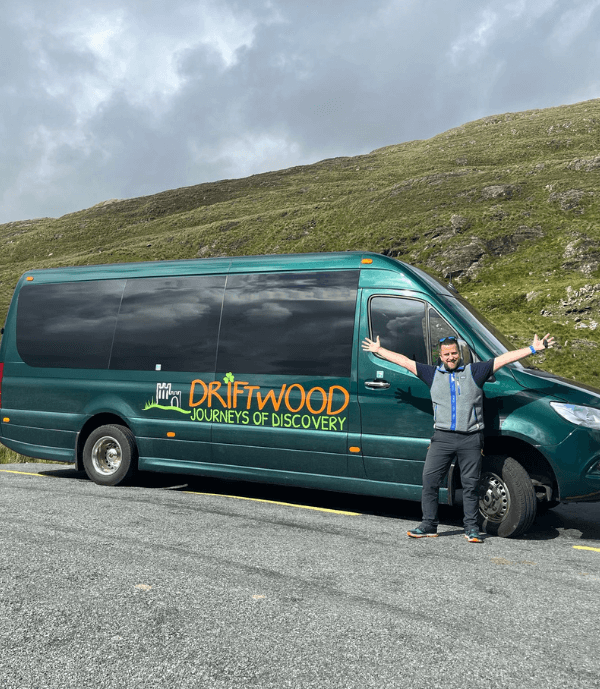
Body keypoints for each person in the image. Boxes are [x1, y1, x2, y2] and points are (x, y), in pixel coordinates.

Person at [361, 332, 555, 542]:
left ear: (459, 353)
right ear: (440, 356)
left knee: (471, 485)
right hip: (442, 439)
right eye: (446, 354)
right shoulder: (432, 373)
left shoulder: (475, 371)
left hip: (470, 438)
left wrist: (533, 349)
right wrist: (379, 350)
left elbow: (503, 359)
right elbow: (405, 361)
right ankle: (429, 525)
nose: (451, 357)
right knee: (430, 481)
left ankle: (471, 528)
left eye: (454, 353)